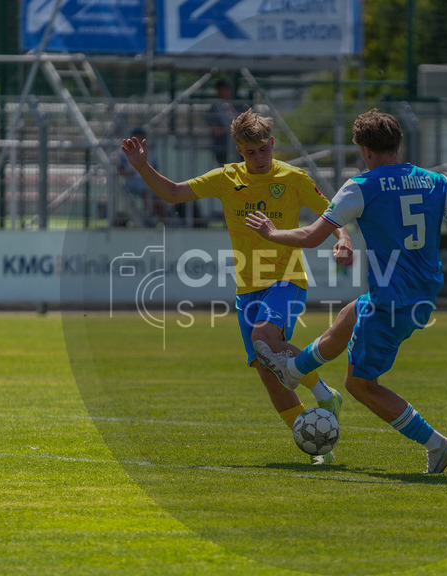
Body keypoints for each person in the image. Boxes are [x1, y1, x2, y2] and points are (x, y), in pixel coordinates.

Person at [247, 109, 447, 474]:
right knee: (353, 312)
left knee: (360, 384)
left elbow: (312, 236)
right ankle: (294, 369)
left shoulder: (362, 186)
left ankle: (436, 444)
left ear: (365, 149)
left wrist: (271, 233)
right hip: (422, 297)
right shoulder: (436, 181)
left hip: (392, 303)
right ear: (398, 143)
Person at [120, 109, 354, 465]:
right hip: (247, 287)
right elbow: (172, 192)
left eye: (263, 149)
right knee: (267, 370)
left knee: (264, 340)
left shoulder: (293, 178)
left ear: (272, 144)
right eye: (250, 152)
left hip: (286, 278)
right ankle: (319, 449)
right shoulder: (226, 178)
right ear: (238, 150)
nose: (258, 158)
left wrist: (344, 240)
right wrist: (141, 167)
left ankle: (324, 393)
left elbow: (331, 213)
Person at [116, 127, 168, 226]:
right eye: (137, 137)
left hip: (147, 181)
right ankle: (150, 217)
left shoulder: (150, 153)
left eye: (141, 137)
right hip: (132, 183)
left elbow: (155, 170)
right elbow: (119, 170)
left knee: (160, 196)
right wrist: (128, 173)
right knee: (146, 192)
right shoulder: (125, 153)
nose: (139, 140)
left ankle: (163, 220)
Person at [206, 79, 248, 166]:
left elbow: (246, 124)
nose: (225, 92)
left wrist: (230, 108)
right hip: (222, 149)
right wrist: (235, 129)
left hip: (240, 148)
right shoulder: (213, 109)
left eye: (227, 89)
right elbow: (216, 131)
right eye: (222, 90)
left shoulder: (238, 105)